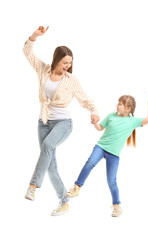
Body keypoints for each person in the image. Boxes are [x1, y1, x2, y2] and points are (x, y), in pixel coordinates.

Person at [23, 26, 100, 216]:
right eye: (64, 62)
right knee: (51, 166)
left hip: (63, 124)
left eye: (70, 63)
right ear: (57, 60)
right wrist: (35, 36)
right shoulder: (43, 69)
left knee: (48, 146)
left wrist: (94, 112)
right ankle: (64, 202)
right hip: (43, 122)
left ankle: (33, 186)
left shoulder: (71, 80)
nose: (67, 65)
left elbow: (85, 99)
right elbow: (27, 51)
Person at [67, 94, 148, 217]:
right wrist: (95, 122)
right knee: (89, 163)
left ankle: (117, 205)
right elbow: (100, 128)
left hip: (114, 154)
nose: (117, 105)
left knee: (111, 181)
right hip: (101, 147)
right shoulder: (111, 116)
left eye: (120, 104)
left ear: (127, 108)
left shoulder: (133, 121)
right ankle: (77, 187)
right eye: (118, 103)